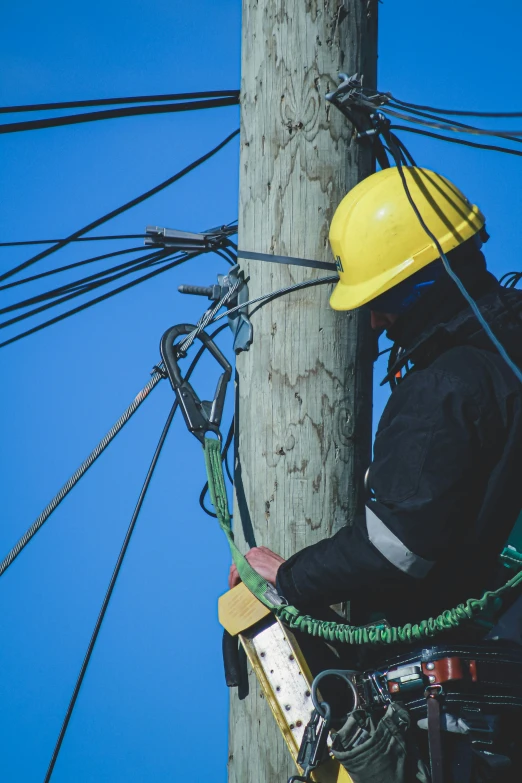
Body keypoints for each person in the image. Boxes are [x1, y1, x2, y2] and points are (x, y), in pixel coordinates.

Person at [228, 166, 522, 780]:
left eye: (380, 301)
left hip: (474, 719)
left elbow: (398, 549)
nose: (375, 324)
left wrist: (289, 576)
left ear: (419, 287)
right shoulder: (507, 352)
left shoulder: (445, 385)